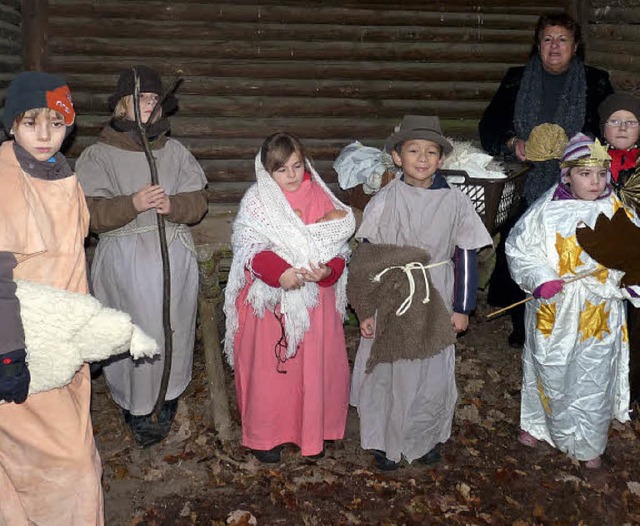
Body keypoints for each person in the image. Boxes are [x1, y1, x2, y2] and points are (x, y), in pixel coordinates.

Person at [350, 115, 492, 471]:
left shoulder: (455, 202)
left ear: (441, 159)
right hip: (393, 296)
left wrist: (462, 308)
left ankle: (424, 437)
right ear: (398, 157)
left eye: (431, 152)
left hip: (437, 294)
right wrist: (366, 309)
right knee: (391, 368)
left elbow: (465, 253)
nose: (423, 158)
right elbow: (367, 258)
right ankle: (385, 439)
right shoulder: (385, 199)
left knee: (430, 370)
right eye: (414, 150)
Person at [75, 66, 208, 447]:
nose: (148, 105)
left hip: (174, 259)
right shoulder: (98, 155)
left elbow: (198, 201)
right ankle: (135, 404)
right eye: (140, 99)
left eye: (153, 100)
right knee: (134, 332)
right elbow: (90, 213)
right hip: (125, 263)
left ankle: (166, 398)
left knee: (174, 330)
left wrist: (174, 204)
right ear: (121, 106)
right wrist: (132, 204)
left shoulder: (175, 151)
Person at [0, 72, 104, 524]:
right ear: (11, 126)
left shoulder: (62, 175)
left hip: (64, 346)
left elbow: (72, 263)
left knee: (65, 462)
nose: (45, 135)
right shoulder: (6, 181)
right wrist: (8, 356)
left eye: (56, 123)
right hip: (23, 349)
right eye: (31, 123)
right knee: (70, 469)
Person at [506, 133, 640, 469]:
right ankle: (539, 424)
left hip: (599, 313)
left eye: (600, 174)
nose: (594, 182)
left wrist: (629, 283)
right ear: (567, 175)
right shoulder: (545, 211)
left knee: (592, 373)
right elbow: (521, 249)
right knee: (549, 367)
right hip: (556, 310)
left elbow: (633, 256)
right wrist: (539, 278)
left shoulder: (617, 209)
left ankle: (588, 443)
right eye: (584, 174)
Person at [479, 13, 614, 347]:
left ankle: (569, 321)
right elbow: (489, 126)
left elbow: (610, 128)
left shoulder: (596, 81)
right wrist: (513, 142)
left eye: (562, 40)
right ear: (538, 45)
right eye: (548, 40)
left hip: (579, 183)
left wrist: (582, 149)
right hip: (526, 182)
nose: (555, 47)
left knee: (571, 251)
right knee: (524, 247)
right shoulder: (516, 79)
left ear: (576, 46)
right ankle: (522, 322)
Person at [223, 132, 355, 463]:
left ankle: (313, 431)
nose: (292, 175)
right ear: (267, 172)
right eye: (282, 169)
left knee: (313, 370)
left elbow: (339, 247)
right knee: (273, 374)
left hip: (314, 303)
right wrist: (278, 271)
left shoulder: (323, 197)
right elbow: (248, 248)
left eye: (297, 165)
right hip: (271, 304)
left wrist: (328, 272)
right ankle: (267, 436)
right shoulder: (258, 200)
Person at [599, 92, 640, 415]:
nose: (623, 127)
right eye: (615, 121)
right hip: (599, 260)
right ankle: (601, 384)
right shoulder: (590, 163)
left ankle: (633, 388)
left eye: (631, 122)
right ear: (604, 128)